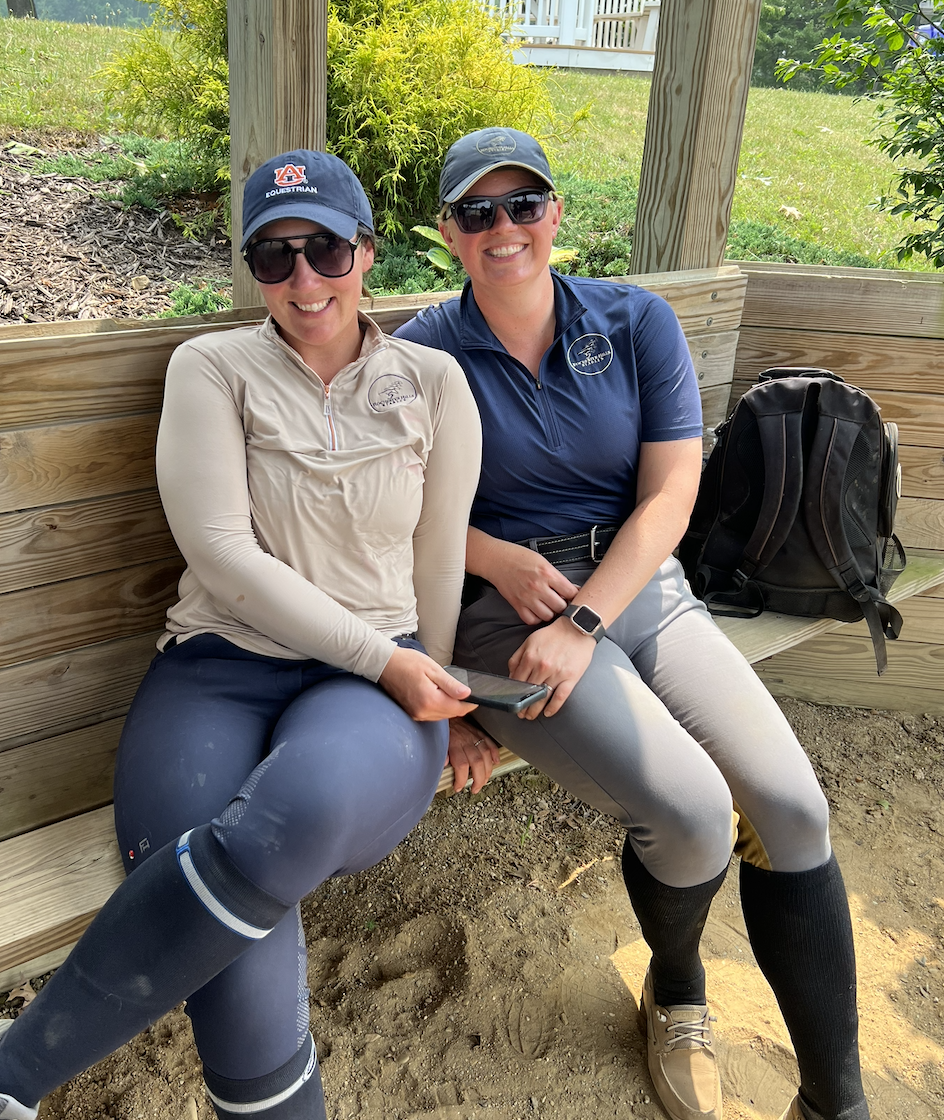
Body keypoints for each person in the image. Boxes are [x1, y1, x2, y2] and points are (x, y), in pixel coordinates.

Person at [394, 127, 869, 1120]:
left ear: (555, 214)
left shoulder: (633, 319)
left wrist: (584, 610)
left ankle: (835, 1101)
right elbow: (388, 509)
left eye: (523, 204)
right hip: (498, 621)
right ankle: (677, 985)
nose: (503, 227)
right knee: (693, 816)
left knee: (790, 808)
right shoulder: (421, 352)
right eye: (476, 212)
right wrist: (495, 562)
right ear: (447, 233)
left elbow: (670, 490)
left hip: (633, 584)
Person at [0, 149, 482, 1120]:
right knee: (223, 915)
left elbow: (439, 557)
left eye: (326, 251)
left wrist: (433, 682)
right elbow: (219, 553)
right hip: (215, 672)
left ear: (367, 252)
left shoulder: (432, 381)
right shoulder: (211, 366)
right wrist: (392, 657)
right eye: (274, 257)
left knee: (290, 813)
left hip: (372, 689)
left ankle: (11, 1079)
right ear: (251, 269)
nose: (304, 280)